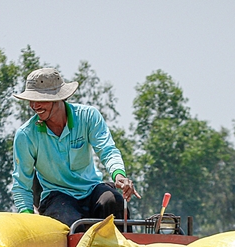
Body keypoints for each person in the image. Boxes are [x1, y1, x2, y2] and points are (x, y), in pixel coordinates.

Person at [11, 67, 140, 228]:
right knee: (70, 222)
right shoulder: (26, 135)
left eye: (41, 99)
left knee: (113, 201)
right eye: (31, 100)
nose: (35, 105)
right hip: (56, 195)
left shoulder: (88, 117)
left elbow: (107, 150)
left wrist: (118, 174)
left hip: (91, 189)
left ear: (59, 98)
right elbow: (21, 184)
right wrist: (27, 217)